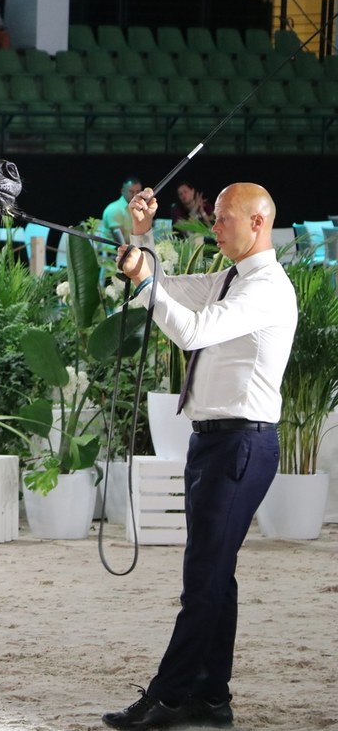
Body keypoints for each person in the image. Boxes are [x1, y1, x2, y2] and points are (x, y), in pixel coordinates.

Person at [107, 183, 297, 731]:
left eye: (223, 219)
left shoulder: (266, 289)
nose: (214, 228)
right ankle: (210, 698)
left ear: (258, 223)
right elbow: (173, 288)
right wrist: (137, 239)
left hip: (242, 443)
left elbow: (190, 331)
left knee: (204, 579)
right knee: (216, 575)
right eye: (213, 218)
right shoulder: (232, 278)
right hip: (214, 440)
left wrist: (145, 279)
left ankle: (168, 696)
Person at [103, 177, 143, 242]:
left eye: (138, 192)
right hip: (115, 251)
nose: (135, 195)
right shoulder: (114, 209)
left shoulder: (138, 207)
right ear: (122, 191)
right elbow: (121, 241)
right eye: (131, 191)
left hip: (133, 248)